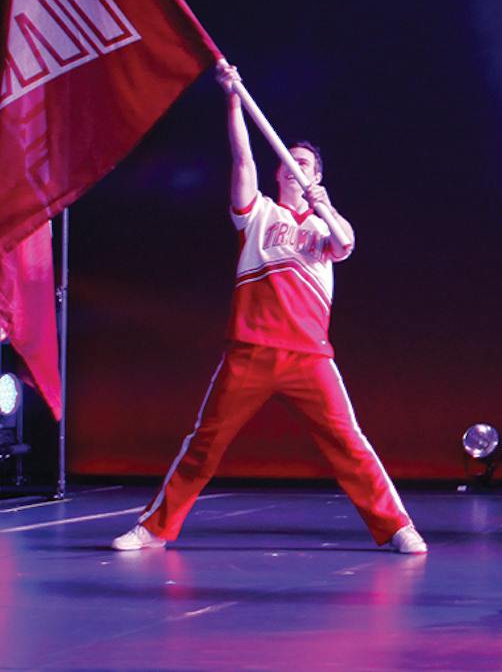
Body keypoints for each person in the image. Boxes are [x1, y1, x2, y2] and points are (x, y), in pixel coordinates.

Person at [114, 62, 424, 555]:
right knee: (204, 443)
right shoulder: (258, 213)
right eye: (289, 160)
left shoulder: (325, 227)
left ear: (317, 176)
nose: (295, 166)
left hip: (309, 357)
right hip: (251, 351)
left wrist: (325, 206)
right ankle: (153, 529)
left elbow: (346, 244)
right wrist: (233, 100)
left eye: (305, 163)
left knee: (349, 443)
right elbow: (242, 160)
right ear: (279, 170)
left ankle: (398, 527)